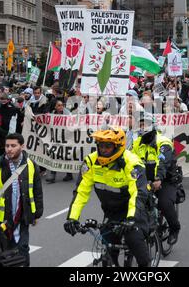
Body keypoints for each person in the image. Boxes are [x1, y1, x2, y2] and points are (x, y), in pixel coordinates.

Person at [64, 126, 151, 267]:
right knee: (108, 250)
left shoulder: (132, 162)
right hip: (111, 212)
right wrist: (72, 218)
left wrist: (131, 219)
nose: (103, 149)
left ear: (118, 147)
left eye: (108, 146)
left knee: (135, 243)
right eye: (100, 146)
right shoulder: (90, 162)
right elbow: (81, 192)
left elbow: (138, 193)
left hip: (134, 211)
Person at [0, 133, 43, 266]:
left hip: (22, 217)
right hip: (1, 219)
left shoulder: (31, 165)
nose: (9, 149)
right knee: (4, 252)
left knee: (23, 248)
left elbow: (37, 190)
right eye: (7, 146)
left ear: (22, 146)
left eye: (13, 146)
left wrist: (37, 213)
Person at [131, 114, 181, 245]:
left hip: (166, 180)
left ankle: (174, 229)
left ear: (152, 125)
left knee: (164, 203)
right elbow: (130, 161)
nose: (143, 127)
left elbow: (163, 162)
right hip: (145, 181)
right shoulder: (137, 143)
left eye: (145, 124)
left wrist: (158, 178)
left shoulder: (163, 142)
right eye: (140, 125)